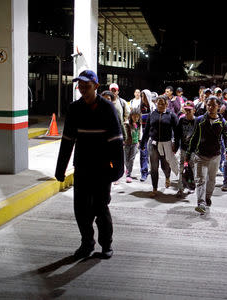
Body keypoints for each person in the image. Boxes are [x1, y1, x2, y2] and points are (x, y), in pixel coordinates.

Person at [55, 70, 124, 259]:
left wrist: (118, 168)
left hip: (102, 169)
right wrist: (61, 168)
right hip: (83, 167)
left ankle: (106, 244)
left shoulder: (107, 108)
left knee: (100, 207)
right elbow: (68, 140)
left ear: (96, 86)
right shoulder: (74, 109)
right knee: (80, 208)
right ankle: (87, 243)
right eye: (80, 85)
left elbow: (117, 140)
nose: (83, 88)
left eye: (87, 85)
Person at [186, 96, 227, 214]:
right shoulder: (199, 120)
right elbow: (194, 137)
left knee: (211, 180)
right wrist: (188, 153)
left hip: (215, 156)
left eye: (213, 105)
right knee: (200, 180)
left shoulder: (223, 122)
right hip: (200, 155)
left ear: (218, 107)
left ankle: (207, 197)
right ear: (206, 105)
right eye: (208, 105)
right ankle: (201, 203)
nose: (210, 107)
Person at [141, 95, 179, 197]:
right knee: (154, 167)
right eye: (159, 103)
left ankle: (167, 177)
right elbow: (147, 130)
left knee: (165, 165)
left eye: (163, 103)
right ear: (156, 104)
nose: (161, 105)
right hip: (153, 144)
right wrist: (143, 143)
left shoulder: (171, 115)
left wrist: (176, 144)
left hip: (166, 144)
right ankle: (154, 188)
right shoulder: (152, 115)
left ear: (166, 104)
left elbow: (177, 131)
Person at [174, 100, 196, 197]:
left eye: (189, 110)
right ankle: (180, 188)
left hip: (193, 151)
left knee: (191, 168)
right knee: (181, 168)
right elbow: (177, 134)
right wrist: (175, 146)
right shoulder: (182, 120)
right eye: (186, 110)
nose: (187, 112)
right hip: (183, 149)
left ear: (194, 110)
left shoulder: (197, 121)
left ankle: (192, 186)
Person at [138, 89, 156, 181]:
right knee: (143, 153)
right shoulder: (140, 107)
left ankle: (152, 170)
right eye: (142, 96)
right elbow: (138, 121)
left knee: (152, 154)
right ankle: (143, 172)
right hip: (143, 134)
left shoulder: (153, 107)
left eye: (144, 96)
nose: (142, 98)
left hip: (152, 134)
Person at [123, 109, 142, 183]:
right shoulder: (126, 124)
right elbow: (124, 134)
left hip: (134, 144)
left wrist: (138, 142)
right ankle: (127, 170)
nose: (136, 118)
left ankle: (128, 174)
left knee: (131, 159)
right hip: (127, 144)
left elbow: (139, 133)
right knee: (126, 159)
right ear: (131, 116)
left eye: (137, 117)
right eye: (134, 116)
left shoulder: (138, 124)